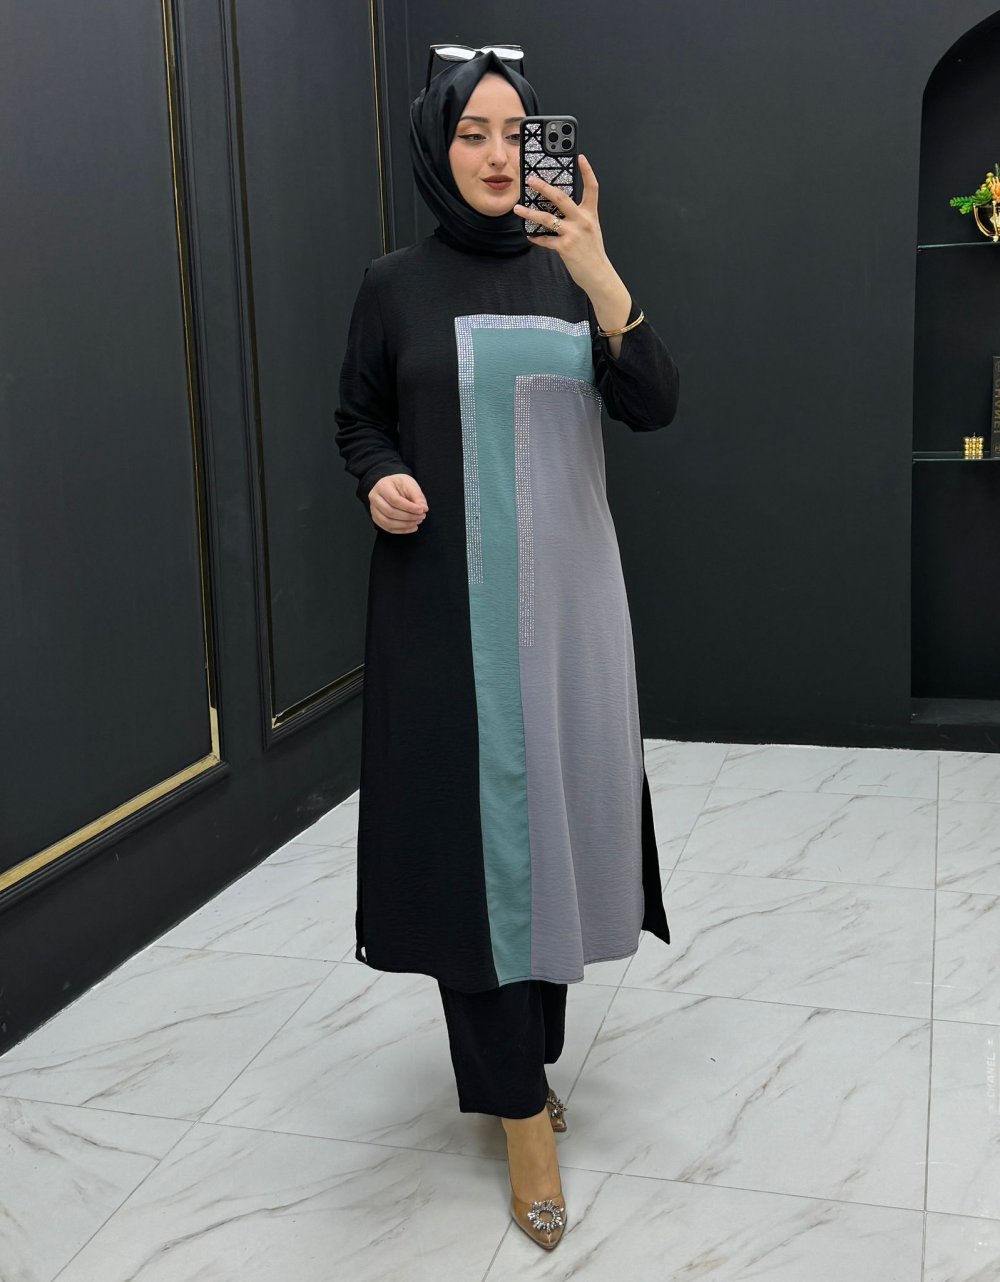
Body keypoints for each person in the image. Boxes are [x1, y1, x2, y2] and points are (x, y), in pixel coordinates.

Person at [334, 44, 679, 1251]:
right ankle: (520, 1112)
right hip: (445, 619)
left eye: (514, 132)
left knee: (555, 841)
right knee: (472, 858)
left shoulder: (569, 271)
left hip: (570, 617)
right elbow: (358, 416)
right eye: (471, 131)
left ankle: (525, 1057)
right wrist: (378, 478)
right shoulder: (392, 285)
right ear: (438, 147)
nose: (494, 154)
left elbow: (653, 402)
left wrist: (600, 270)